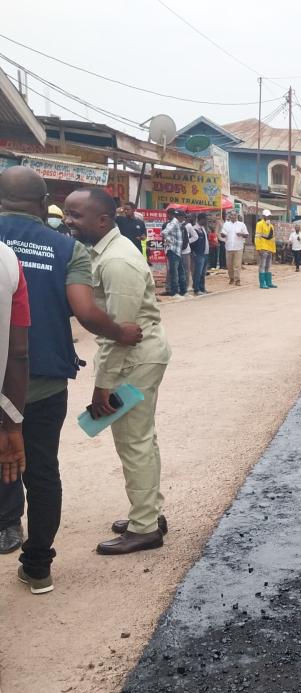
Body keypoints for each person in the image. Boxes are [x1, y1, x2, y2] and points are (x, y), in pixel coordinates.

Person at [0, 166, 143, 590]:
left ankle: (8, 525)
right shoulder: (66, 248)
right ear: (46, 204)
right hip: (42, 379)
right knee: (42, 469)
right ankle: (39, 565)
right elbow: (84, 311)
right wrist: (120, 332)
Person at [64, 188, 171, 556]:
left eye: (76, 215)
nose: (68, 220)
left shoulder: (116, 262)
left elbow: (119, 334)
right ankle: (148, 514)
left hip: (135, 359)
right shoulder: (106, 253)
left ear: (103, 221)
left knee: (134, 442)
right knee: (142, 438)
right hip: (138, 355)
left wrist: (102, 388)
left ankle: (144, 528)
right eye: (68, 213)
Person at [0, 240, 30, 551]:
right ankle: (7, 521)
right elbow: (18, 351)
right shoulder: (7, 259)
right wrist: (11, 425)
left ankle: (8, 520)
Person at [162, 209, 187, 298]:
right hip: (173, 251)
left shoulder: (178, 224)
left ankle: (183, 292)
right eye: (183, 217)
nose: (184, 219)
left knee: (181, 272)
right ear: (180, 217)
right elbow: (164, 232)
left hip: (177, 252)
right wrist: (170, 241)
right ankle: (174, 293)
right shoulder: (174, 223)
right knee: (175, 273)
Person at [220, 210, 247, 286]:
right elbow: (223, 234)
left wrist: (241, 234)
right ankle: (231, 278)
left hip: (238, 247)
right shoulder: (226, 224)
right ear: (229, 216)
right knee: (229, 265)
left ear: (237, 216)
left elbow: (246, 235)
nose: (233, 216)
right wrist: (222, 235)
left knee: (237, 265)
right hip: (228, 247)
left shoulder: (241, 224)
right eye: (232, 215)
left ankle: (237, 280)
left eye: (235, 215)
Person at [254, 209, 278, 289]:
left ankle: (269, 282)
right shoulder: (259, 224)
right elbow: (257, 237)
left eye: (269, 216)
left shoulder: (271, 226)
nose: (268, 217)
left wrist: (273, 250)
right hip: (263, 248)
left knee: (268, 266)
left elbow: (272, 238)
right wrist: (258, 248)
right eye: (267, 216)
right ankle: (262, 283)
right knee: (262, 265)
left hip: (269, 248)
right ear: (263, 216)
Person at [190, 213, 209, 295]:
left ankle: (202, 288)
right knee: (198, 272)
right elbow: (192, 242)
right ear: (200, 219)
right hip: (198, 254)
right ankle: (196, 289)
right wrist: (193, 252)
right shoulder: (194, 229)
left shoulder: (203, 228)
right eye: (205, 219)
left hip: (205, 253)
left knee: (203, 273)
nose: (206, 221)